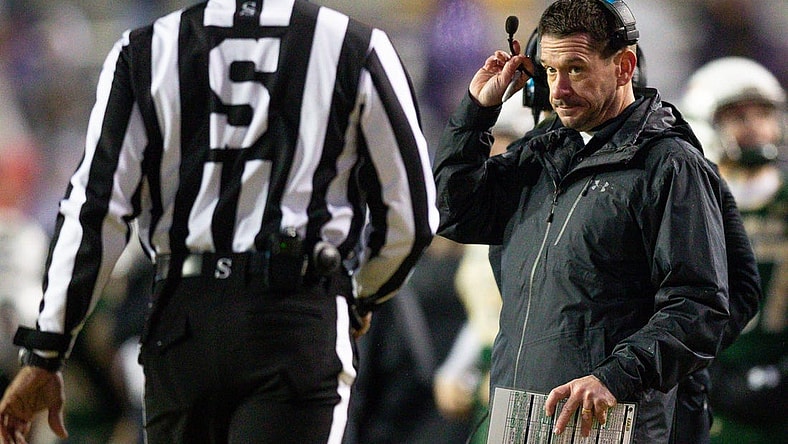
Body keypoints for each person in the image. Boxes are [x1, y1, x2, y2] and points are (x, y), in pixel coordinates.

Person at [0, 1, 438, 443]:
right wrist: (362, 296)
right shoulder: (357, 47)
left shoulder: (144, 50)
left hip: (183, 317)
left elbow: (94, 209)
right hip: (297, 313)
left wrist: (46, 350)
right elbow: (413, 219)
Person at [433, 0, 730, 441]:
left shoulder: (670, 166)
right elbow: (453, 214)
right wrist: (476, 112)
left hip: (607, 423)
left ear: (624, 66)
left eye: (575, 69)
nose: (558, 90)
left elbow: (700, 306)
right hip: (517, 416)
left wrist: (615, 378)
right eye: (550, 71)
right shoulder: (539, 155)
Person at [682, 56, 787, 443]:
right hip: (712, 393)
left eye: (763, 114)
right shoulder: (689, 206)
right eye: (739, 117)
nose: (756, 127)